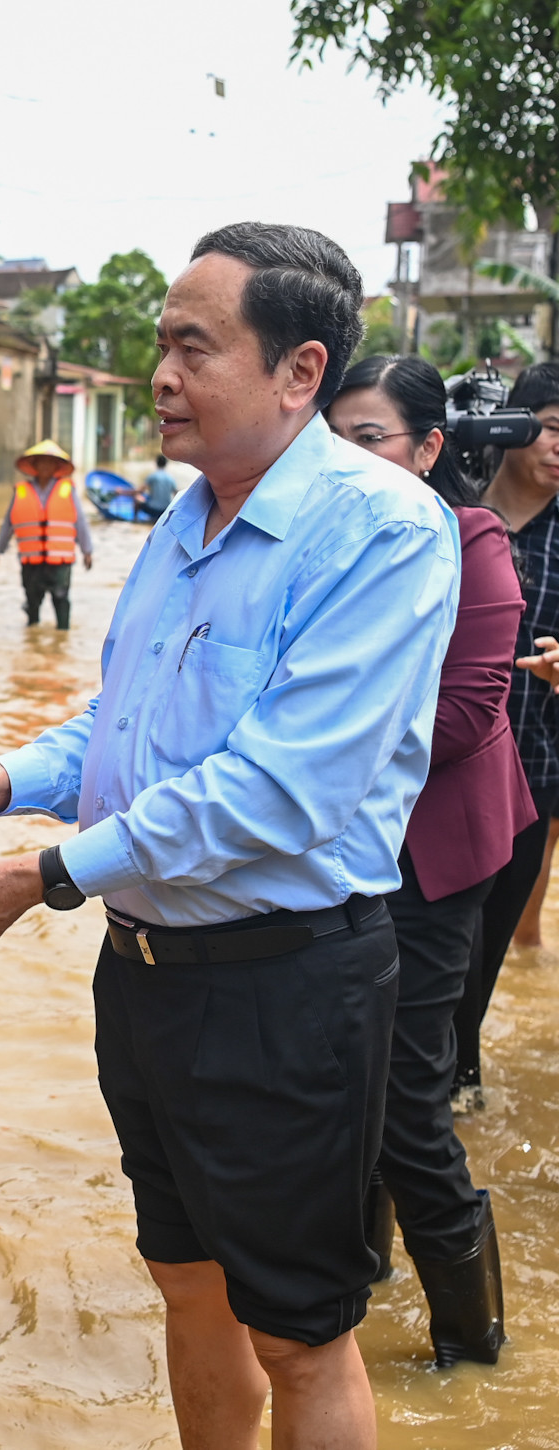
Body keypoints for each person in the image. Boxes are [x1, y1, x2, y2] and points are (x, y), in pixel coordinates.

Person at [0, 223, 457, 1450]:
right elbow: (128, 722)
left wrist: (40, 876)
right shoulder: (185, 519)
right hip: (147, 977)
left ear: (300, 371)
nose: (161, 375)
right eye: (161, 345)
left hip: (285, 984)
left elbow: (276, 790)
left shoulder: (386, 530)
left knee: (300, 1332)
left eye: (195, 348)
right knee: (188, 1284)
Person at [327, 353, 527, 1367]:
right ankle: (361, 1280)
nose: (347, 460)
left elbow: (467, 712)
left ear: (428, 447)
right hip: (335, 849)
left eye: (370, 440)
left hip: (435, 856)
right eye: (332, 441)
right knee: (344, 1077)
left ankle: (471, 1345)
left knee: (408, 1096)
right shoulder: (321, 540)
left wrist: (315, 749)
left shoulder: (470, 540)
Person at [460, 362, 559, 1108]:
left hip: (533, 778)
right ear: (514, 426)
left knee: (487, 951)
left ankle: (461, 1084)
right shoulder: (454, 515)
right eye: (552, 428)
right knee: (423, 948)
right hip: (441, 777)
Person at [0, 440, 95, 628]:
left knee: (61, 600)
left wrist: (87, 551)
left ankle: (62, 637)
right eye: (41, 462)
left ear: (56, 467)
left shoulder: (67, 490)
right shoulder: (21, 491)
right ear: (34, 466)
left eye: (50, 462)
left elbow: (80, 522)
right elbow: (8, 524)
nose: (45, 466)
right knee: (32, 602)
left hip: (60, 562)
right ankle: (32, 634)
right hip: (31, 562)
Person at [136, 453, 179, 521]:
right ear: (166, 464)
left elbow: (139, 491)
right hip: (165, 511)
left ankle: (135, 519)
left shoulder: (153, 476)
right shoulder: (171, 478)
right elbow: (177, 495)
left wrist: (123, 492)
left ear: (156, 463)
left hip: (153, 510)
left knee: (137, 498)